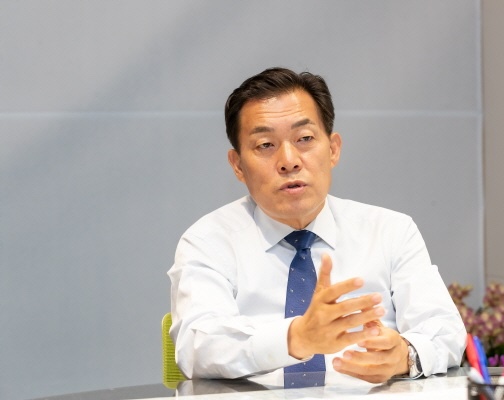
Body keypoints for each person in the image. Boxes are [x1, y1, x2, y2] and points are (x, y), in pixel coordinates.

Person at [168, 67, 466, 384]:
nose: (289, 161)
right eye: (265, 144)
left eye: (305, 139)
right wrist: (296, 337)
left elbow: (446, 331)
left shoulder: (390, 231)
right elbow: (197, 347)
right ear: (238, 165)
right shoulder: (209, 240)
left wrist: (404, 355)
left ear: (333, 149)